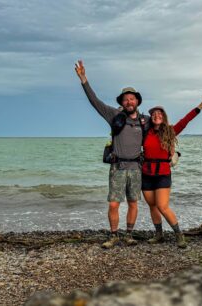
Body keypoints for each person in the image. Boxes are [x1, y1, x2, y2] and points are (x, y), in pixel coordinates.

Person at [75, 60, 150, 249]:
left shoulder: (145, 120)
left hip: (136, 168)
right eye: (125, 99)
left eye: (132, 98)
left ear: (137, 101)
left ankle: (129, 235)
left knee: (133, 203)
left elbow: (164, 132)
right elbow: (95, 102)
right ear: (122, 103)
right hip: (117, 168)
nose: (129, 101)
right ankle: (114, 235)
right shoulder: (113, 115)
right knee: (114, 205)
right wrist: (84, 79)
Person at [142, 96, 202, 248]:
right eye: (154, 114)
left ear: (164, 117)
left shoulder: (170, 131)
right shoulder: (145, 133)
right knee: (152, 206)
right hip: (146, 174)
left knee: (162, 206)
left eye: (159, 114)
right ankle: (159, 235)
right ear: (151, 118)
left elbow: (185, 121)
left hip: (162, 174)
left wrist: (199, 106)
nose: (156, 116)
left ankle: (179, 235)